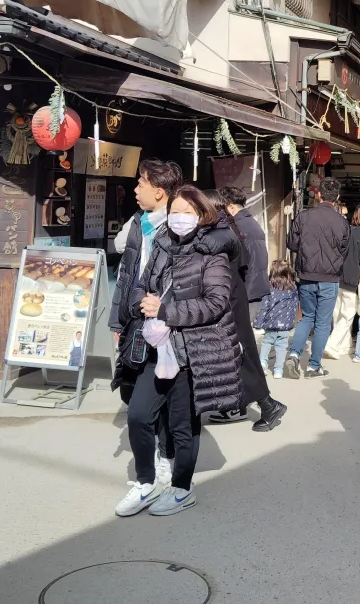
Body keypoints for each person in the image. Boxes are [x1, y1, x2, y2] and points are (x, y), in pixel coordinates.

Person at [114, 185, 242, 517]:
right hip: (156, 347)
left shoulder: (212, 252)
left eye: (187, 213)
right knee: (138, 415)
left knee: (183, 427)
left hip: (191, 350)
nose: (179, 218)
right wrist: (140, 303)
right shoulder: (162, 243)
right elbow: (141, 283)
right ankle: (146, 482)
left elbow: (216, 303)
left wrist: (166, 310)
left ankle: (182, 489)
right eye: (175, 212)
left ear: (202, 215)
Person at [110, 158, 182, 485]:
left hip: (168, 323)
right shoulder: (140, 222)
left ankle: (166, 457)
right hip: (137, 319)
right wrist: (118, 322)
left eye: (141, 183)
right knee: (138, 391)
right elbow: (127, 273)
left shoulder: (181, 225)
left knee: (165, 391)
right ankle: (155, 459)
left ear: (160, 191)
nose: (135, 189)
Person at [205, 191, 286, 431]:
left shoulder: (224, 234)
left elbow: (244, 265)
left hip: (232, 300)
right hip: (235, 297)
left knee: (240, 355)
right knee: (237, 355)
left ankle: (267, 404)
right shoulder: (233, 228)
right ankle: (250, 405)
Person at [284, 177, 350, 378]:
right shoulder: (342, 222)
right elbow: (344, 250)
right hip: (330, 278)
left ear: (319, 194)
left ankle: (294, 354)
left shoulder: (303, 217)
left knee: (306, 318)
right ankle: (314, 366)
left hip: (306, 275)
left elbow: (292, 244)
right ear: (337, 197)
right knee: (323, 323)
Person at [324, 204, 360, 360]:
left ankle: (345, 346)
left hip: (337, 276)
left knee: (338, 313)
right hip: (353, 279)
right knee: (348, 315)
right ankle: (332, 344)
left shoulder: (345, 230)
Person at [219, 187, 269, 327]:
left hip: (245, 288)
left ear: (230, 207)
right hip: (255, 287)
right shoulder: (251, 222)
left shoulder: (236, 226)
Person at [256, 260, 300, 378]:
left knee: (266, 342)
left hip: (270, 323)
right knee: (281, 347)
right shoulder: (293, 288)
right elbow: (294, 306)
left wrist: (258, 322)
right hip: (284, 325)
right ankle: (278, 370)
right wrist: (292, 322)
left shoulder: (269, 287)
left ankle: (263, 362)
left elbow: (264, 305)